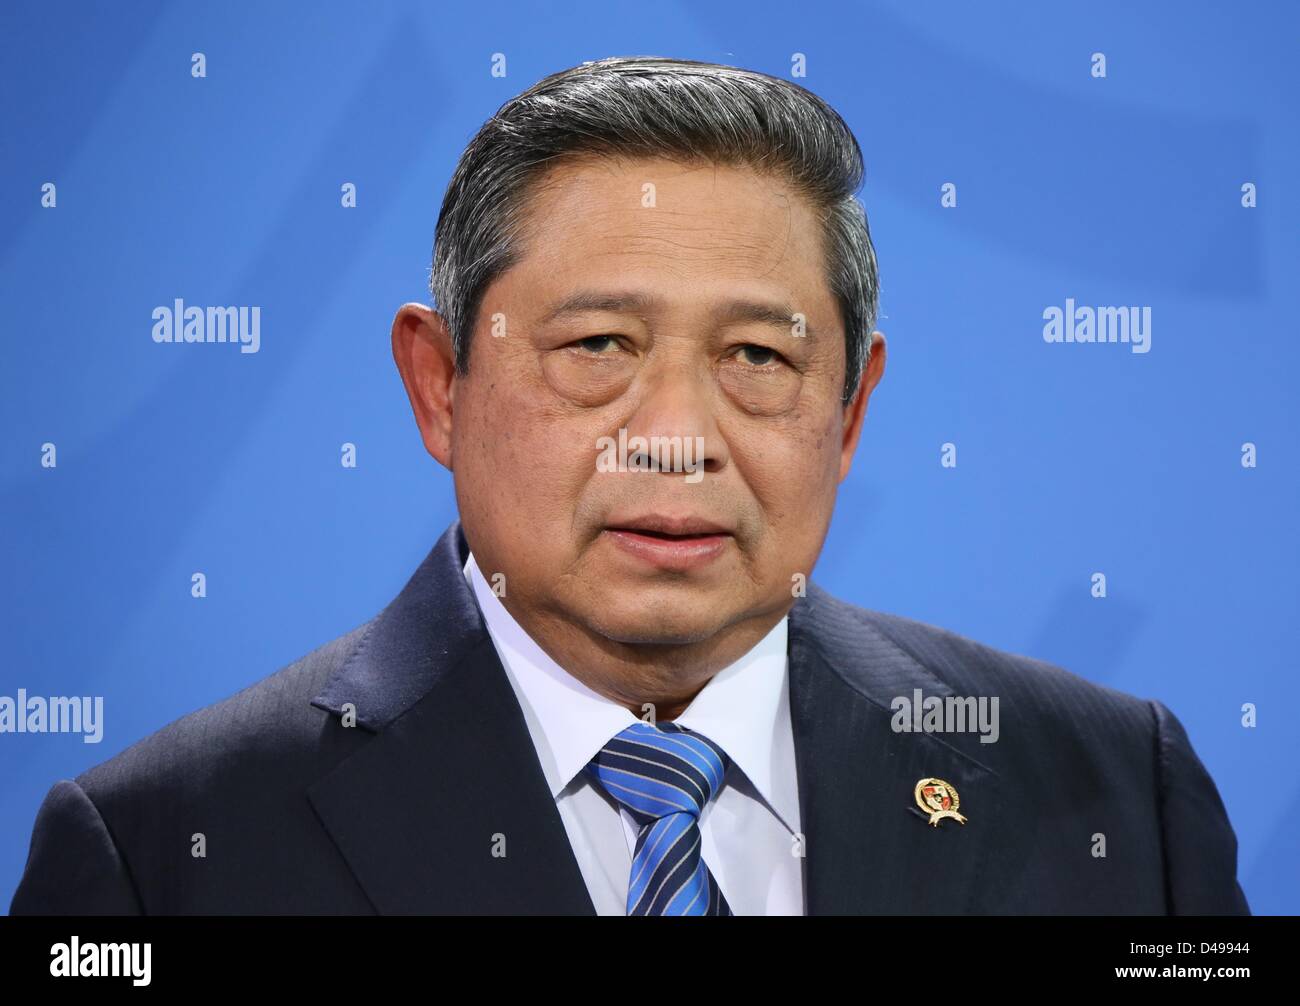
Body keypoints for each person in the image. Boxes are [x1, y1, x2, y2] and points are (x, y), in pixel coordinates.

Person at [9, 56, 1249, 915]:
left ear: (852, 411)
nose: (672, 440)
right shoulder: (161, 852)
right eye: (598, 347)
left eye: (758, 358)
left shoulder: (1110, 793)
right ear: (438, 385)